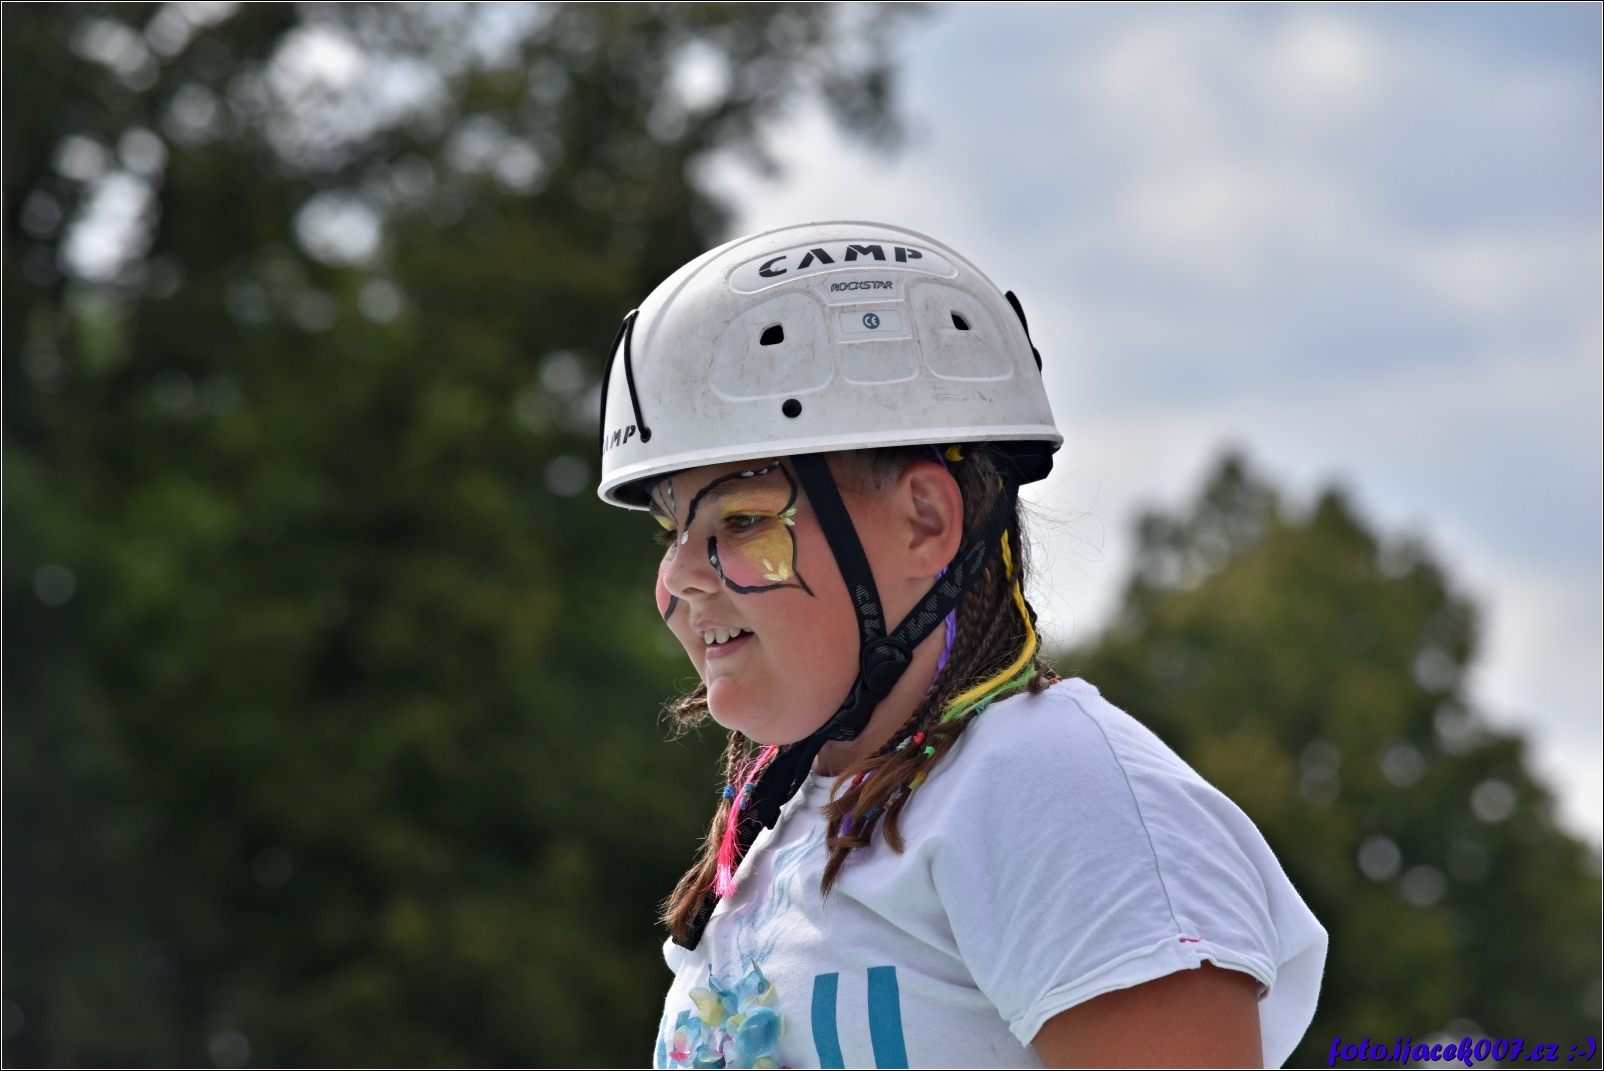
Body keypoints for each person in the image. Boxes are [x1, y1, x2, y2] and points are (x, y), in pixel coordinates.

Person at [595, 222, 1327, 1068]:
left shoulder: (1057, 790)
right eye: (673, 532)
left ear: (924, 522)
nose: (680, 577)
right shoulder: (788, 817)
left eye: (745, 520)